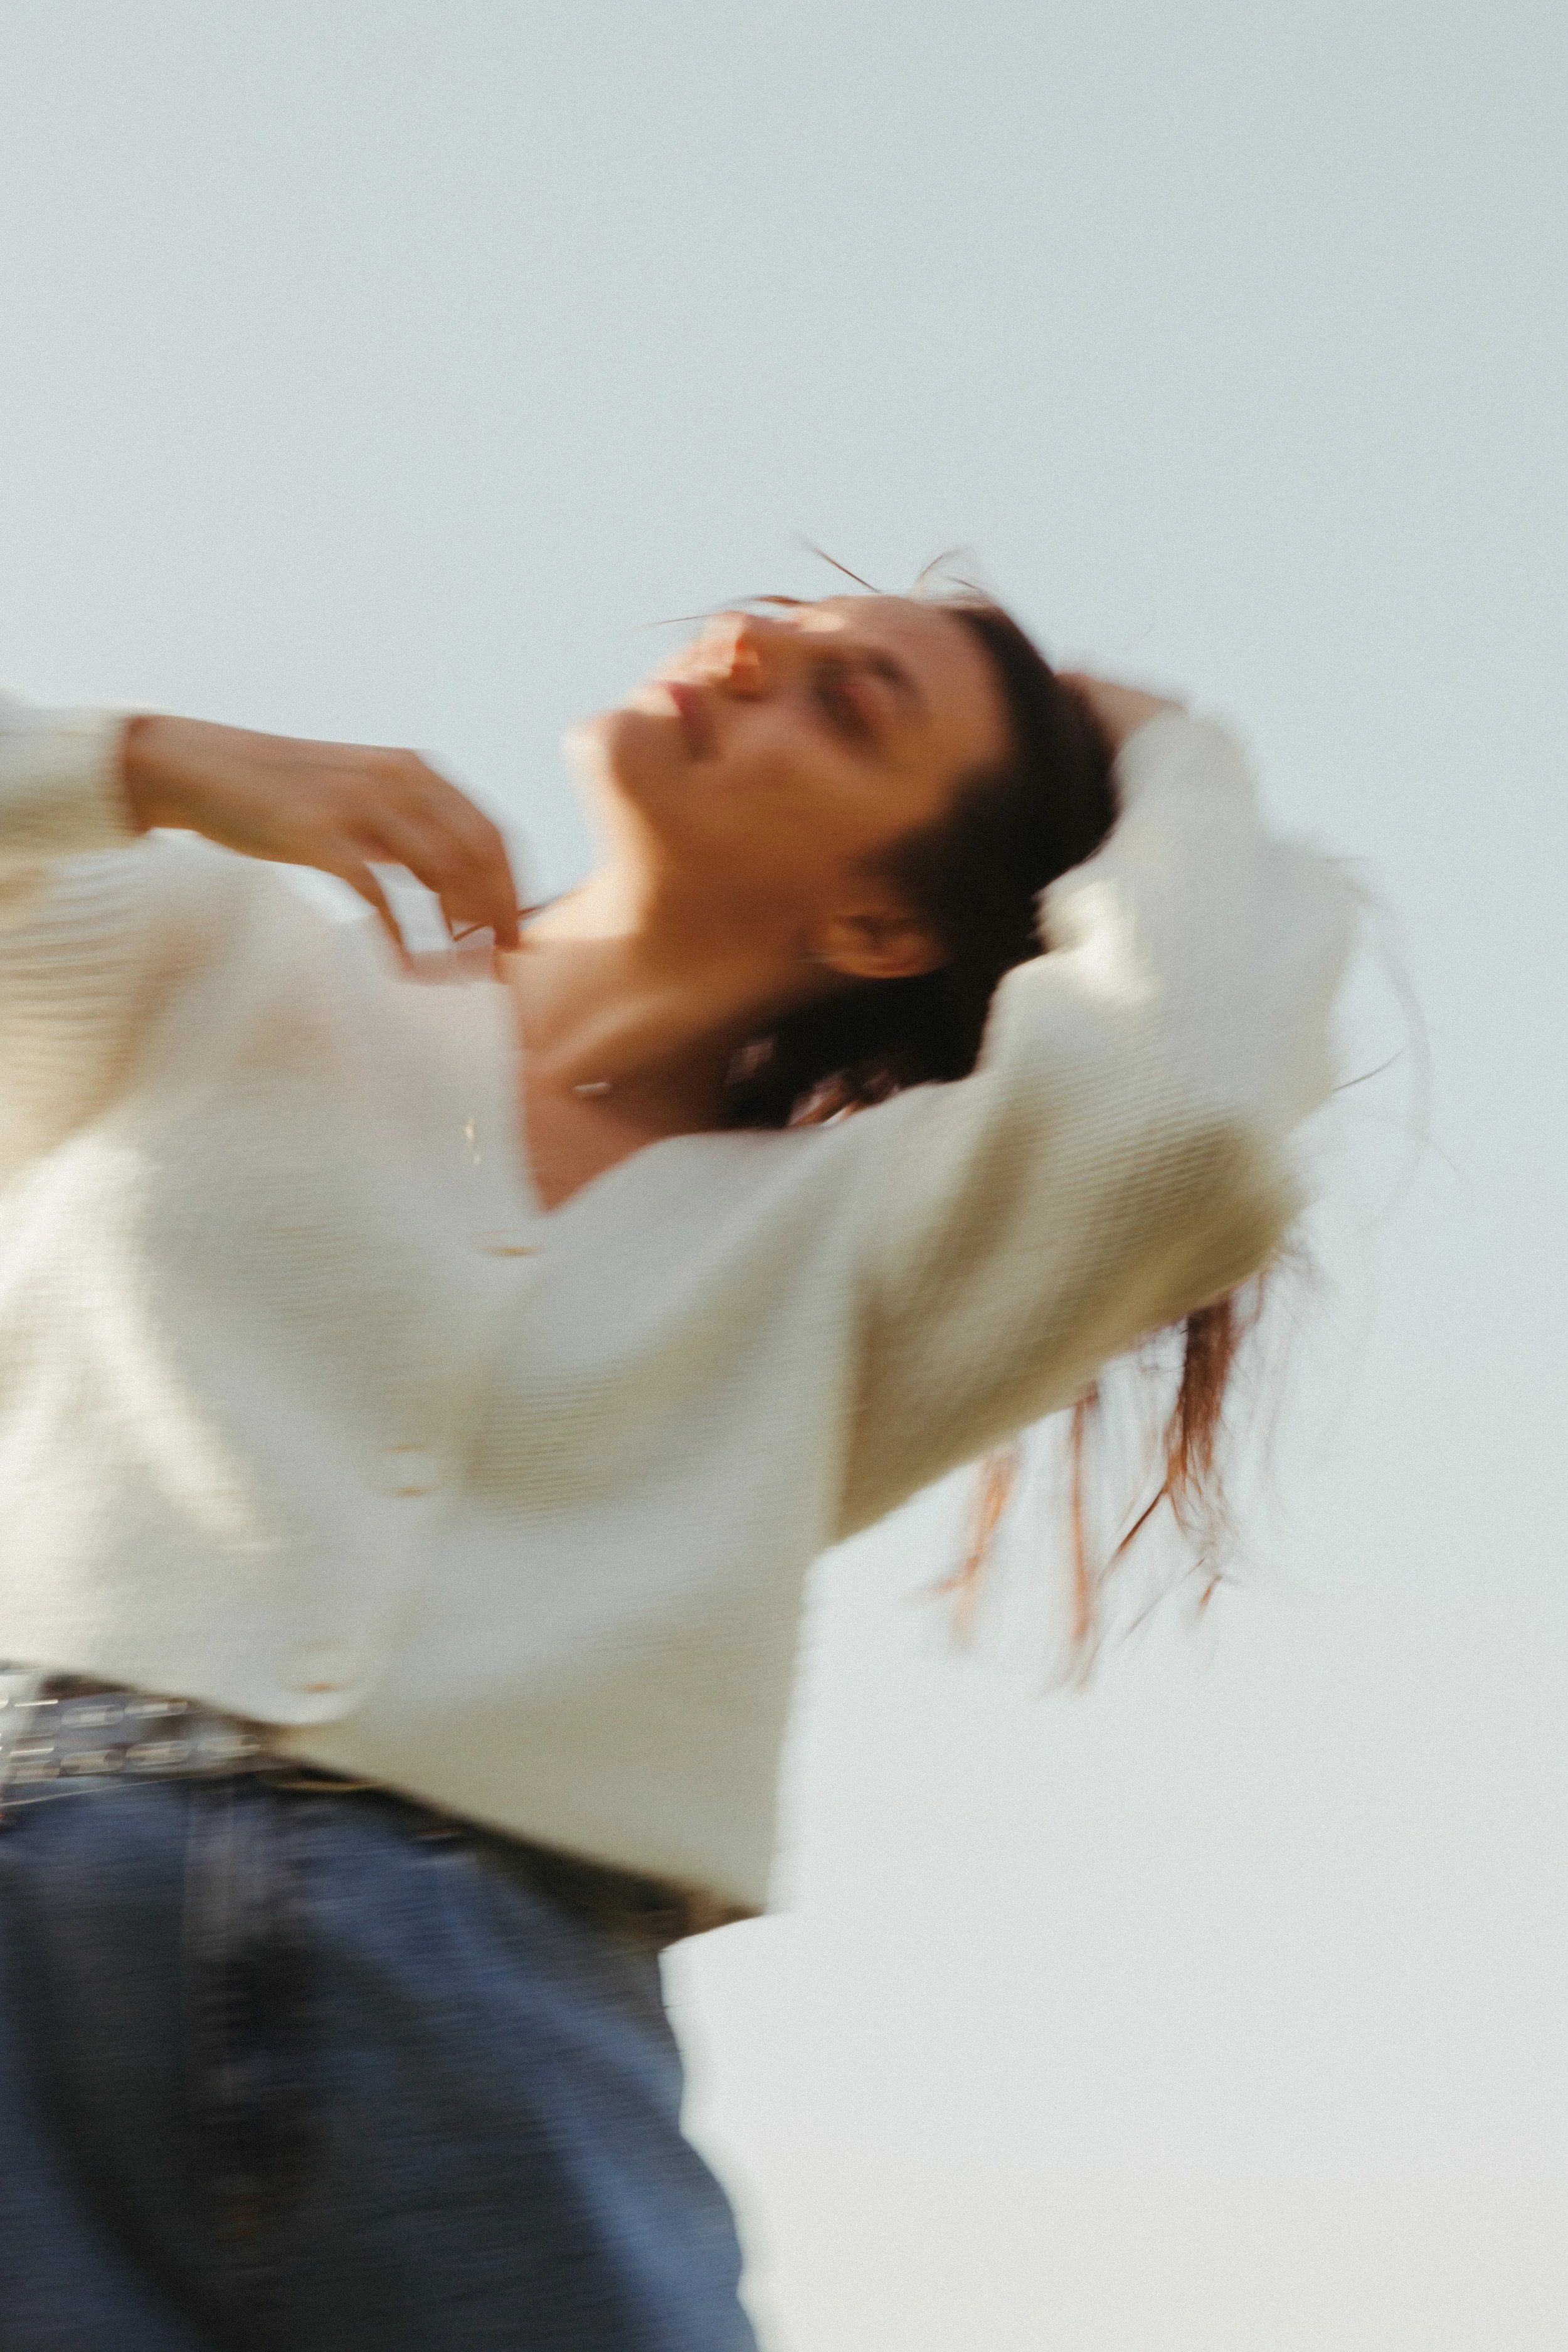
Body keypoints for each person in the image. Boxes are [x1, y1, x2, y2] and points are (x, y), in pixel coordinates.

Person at [0, 591, 1356, 2349]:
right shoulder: (207, 959)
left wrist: (1158, 734)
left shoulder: (875, 1241)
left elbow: (1197, 1109)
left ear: (877, 923)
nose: (741, 655)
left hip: (494, 1997)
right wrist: (141, 760)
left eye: (849, 701)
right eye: (766, 621)